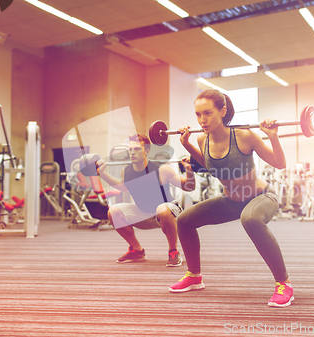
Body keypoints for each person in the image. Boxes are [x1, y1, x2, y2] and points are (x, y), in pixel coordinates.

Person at [169, 89, 293, 308]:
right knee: (184, 220)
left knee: (251, 219)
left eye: (207, 113)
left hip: (261, 197)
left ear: (223, 111)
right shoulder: (202, 139)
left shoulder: (244, 136)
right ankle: (194, 276)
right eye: (198, 115)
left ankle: (284, 284)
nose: (202, 120)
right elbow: (210, 166)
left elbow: (279, 163)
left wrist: (273, 136)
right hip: (231, 201)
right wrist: (187, 145)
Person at [96, 133, 196, 267]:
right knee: (113, 211)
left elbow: (189, 187)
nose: (132, 153)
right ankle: (137, 250)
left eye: (137, 149)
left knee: (162, 209)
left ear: (147, 151)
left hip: (168, 212)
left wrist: (189, 170)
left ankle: (173, 251)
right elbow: (122, 187)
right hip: (144, 213)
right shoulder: (127, 172)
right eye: (130, 150)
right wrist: (102, 174)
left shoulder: (162, 169)